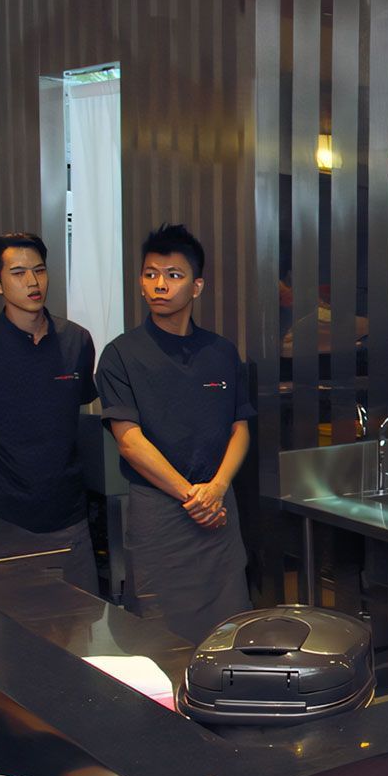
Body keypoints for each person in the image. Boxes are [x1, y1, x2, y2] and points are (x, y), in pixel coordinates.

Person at [97, 224, 254, 643]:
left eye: (173, 275)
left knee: (230, 629)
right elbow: (129, 442)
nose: (159, 285)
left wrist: (216, 489)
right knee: (159, 630)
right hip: (161, 510)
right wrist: (193, 496)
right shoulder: (120, 355)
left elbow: (240, 428)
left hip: (219, 508)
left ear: (196, 286)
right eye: (150, 274)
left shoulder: (220, 351)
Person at [0, 232, 100, 594]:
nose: (33, 282)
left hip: (66, 514)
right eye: (18, 273)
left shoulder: (77, 340)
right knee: (6, 633)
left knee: (76, 626)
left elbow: (68, 418)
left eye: (40, 270)